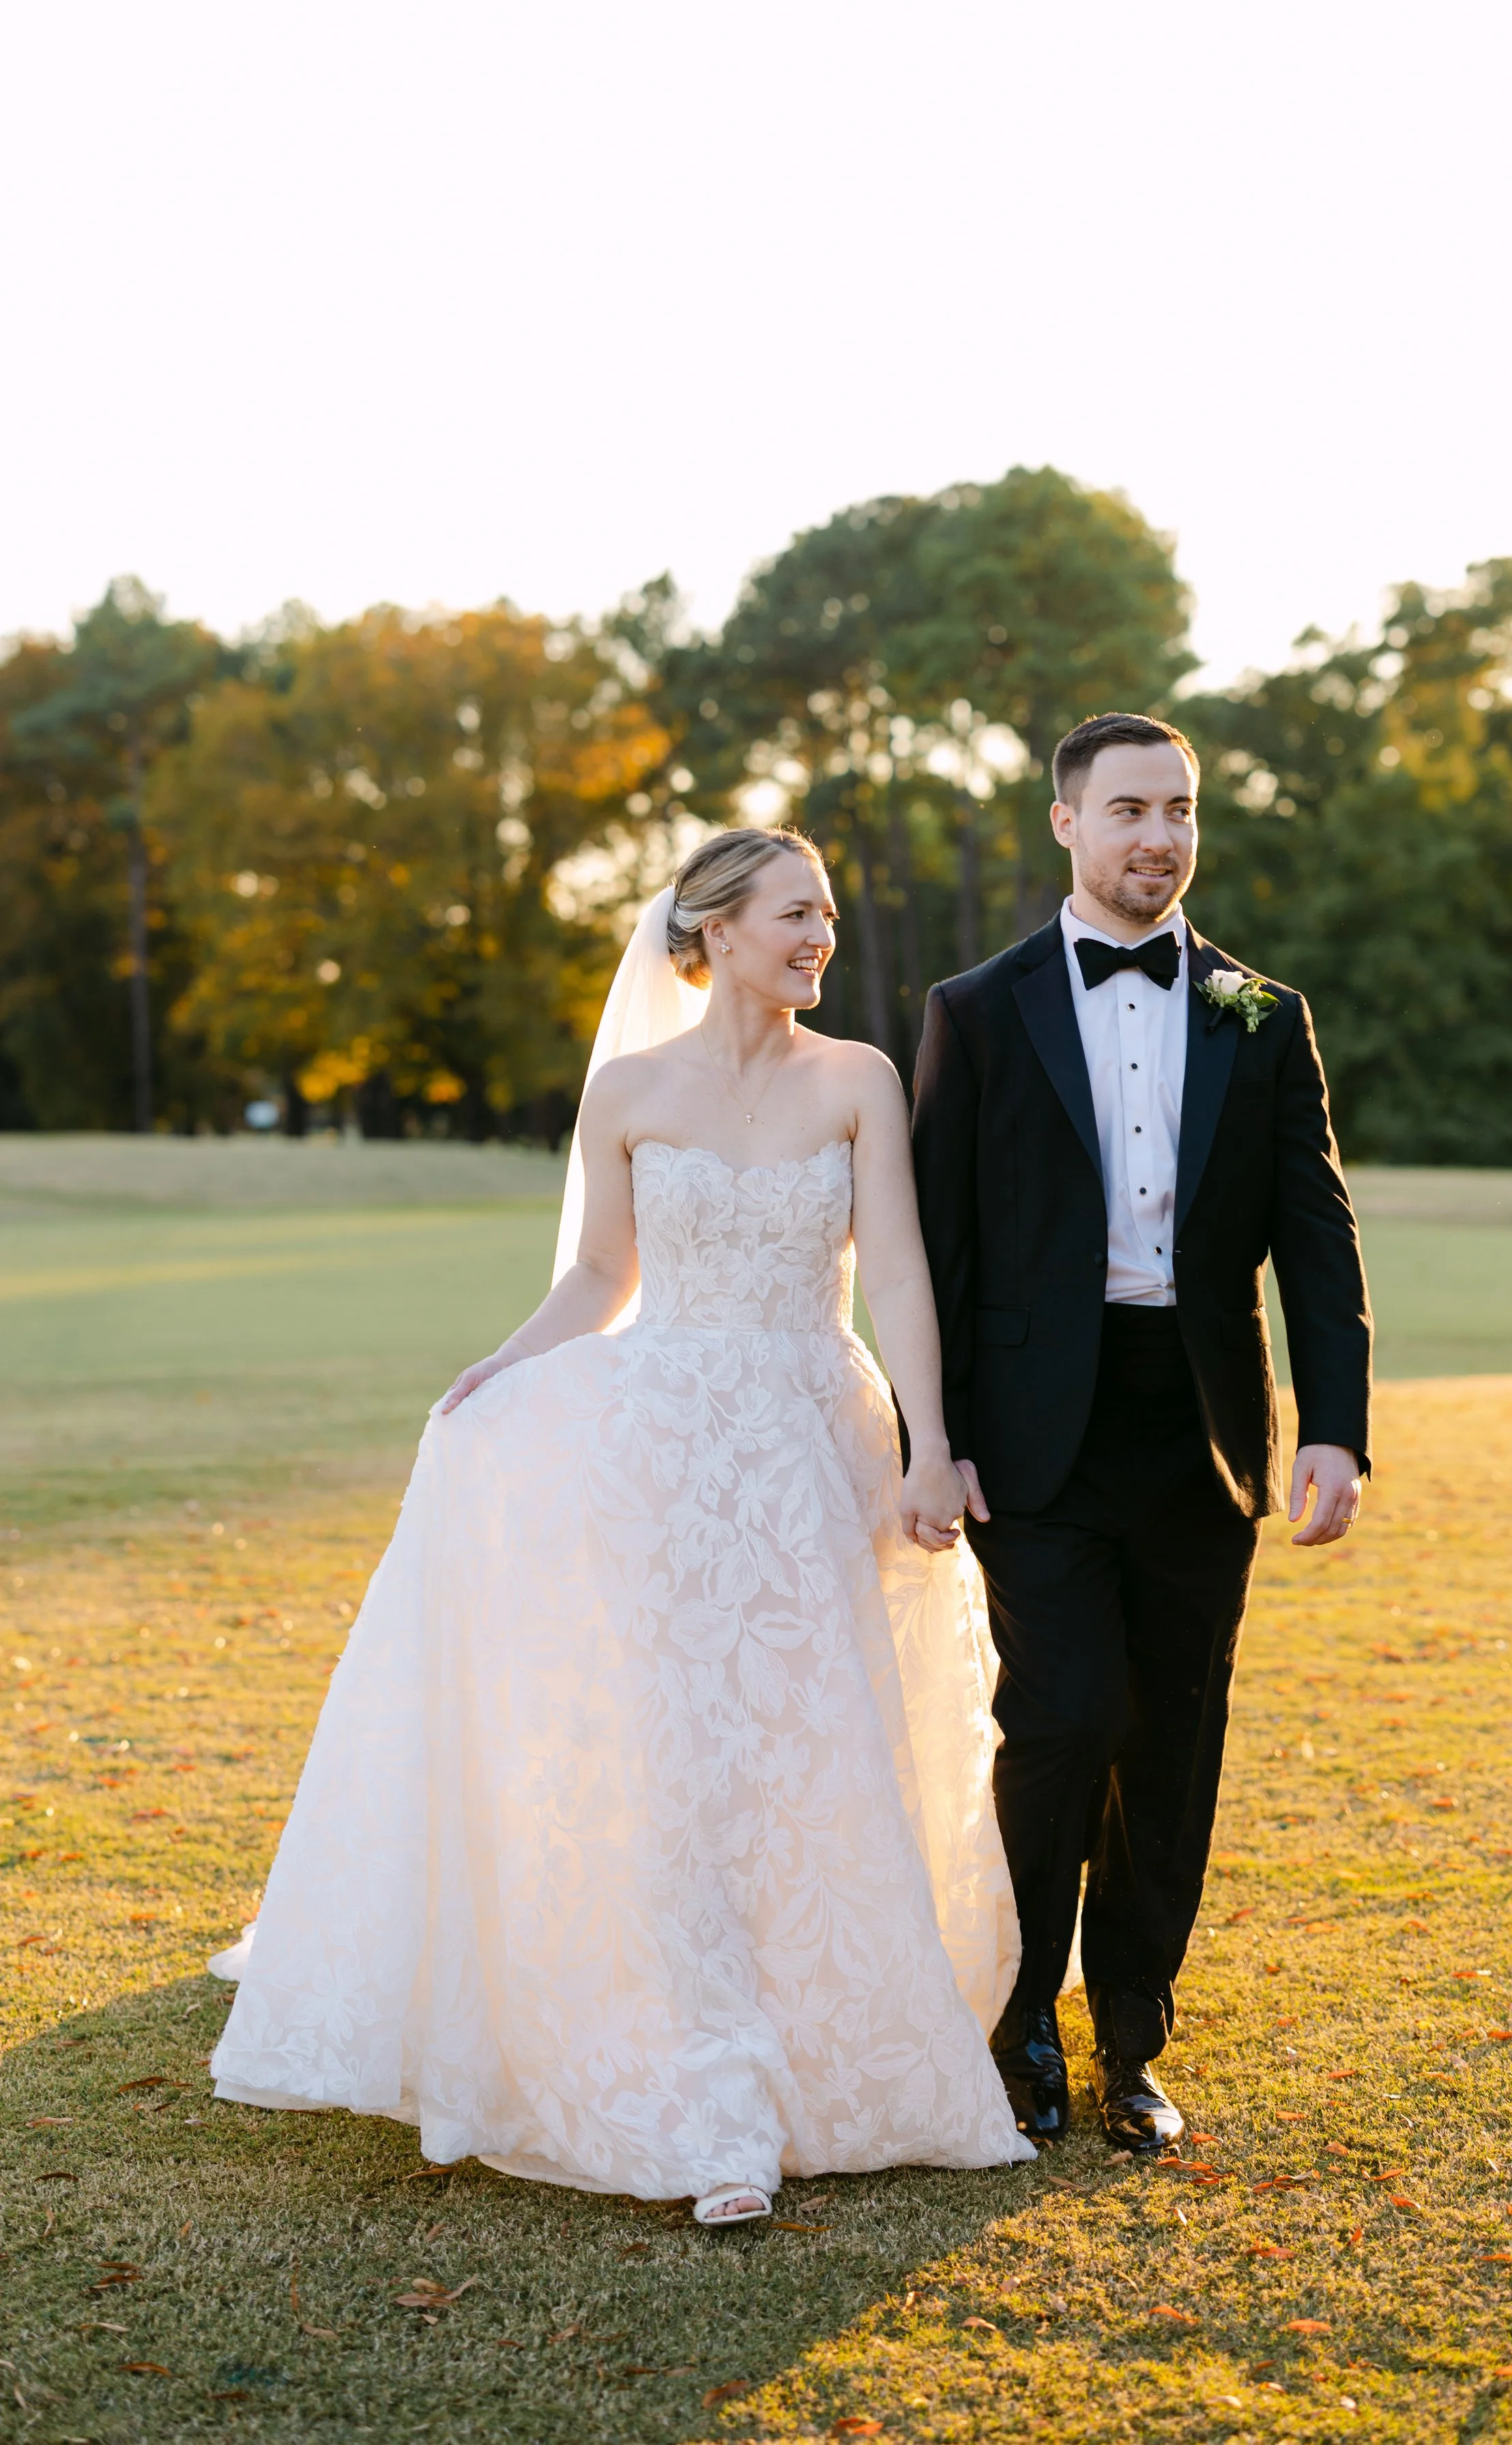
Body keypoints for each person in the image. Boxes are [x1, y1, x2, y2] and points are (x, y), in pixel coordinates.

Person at [209, 827, 1034, 2225]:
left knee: (811, 1748)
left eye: (825, 914)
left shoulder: (859, 1081)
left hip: (812, 1446)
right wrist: (500, 1372)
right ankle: (710, 2091)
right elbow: (601, 1273)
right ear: (713, 930)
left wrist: (928, 1445)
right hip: (665, 1450)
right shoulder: (629, 1092)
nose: (818, 936)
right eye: (793, 915)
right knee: (686, 1761)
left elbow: (892, 1271)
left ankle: (837, 2047)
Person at [912, 714, 1372, 2155]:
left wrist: (1334, 1428)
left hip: (1202, 1435)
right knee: (1060, 1722)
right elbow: (938, 1242)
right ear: (1065, 824)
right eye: (1126, 810)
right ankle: (1018, 2026)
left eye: (1176, 811)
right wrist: (941, 1432)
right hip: (1031, 1434)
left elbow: (1315, 1230)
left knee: (1169, 1741)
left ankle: (1130, 2042)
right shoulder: (974, 1011)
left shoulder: (1263, 1012)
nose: (1155, 838)